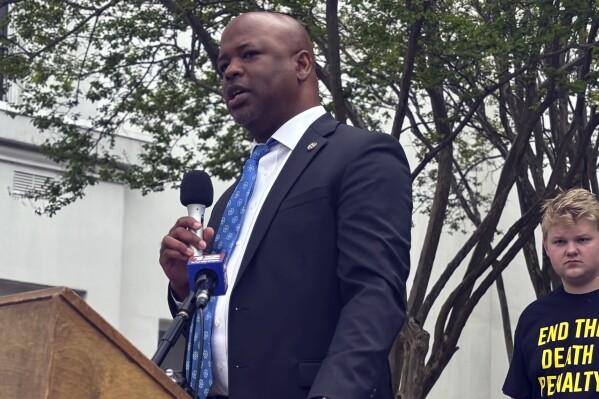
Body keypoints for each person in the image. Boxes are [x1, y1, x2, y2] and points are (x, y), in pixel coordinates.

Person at [159, 11, 412, 399]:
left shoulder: (360, 156)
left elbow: (374, 294)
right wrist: (183, 288)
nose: (230, 71)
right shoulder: (234, 196)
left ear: (302, 64)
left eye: (249, 54)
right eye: (223, 64)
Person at [503, 188, 599, 398]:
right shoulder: (533, 318)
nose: (571, 250)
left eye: (583, 239)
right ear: (546, 247)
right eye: (560, 241)